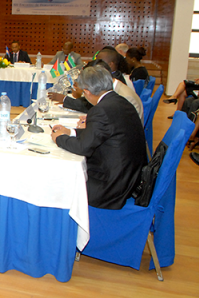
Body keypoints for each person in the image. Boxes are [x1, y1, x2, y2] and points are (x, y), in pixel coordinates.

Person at [51, 66, 148, 209]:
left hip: (111, 187)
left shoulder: (100, 110)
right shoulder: (120, 101)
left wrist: (59, 138)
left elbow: (83, 147)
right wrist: (70, 132)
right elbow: (100, 134)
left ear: (87, 92)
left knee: (58, 180)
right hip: (129, 177)